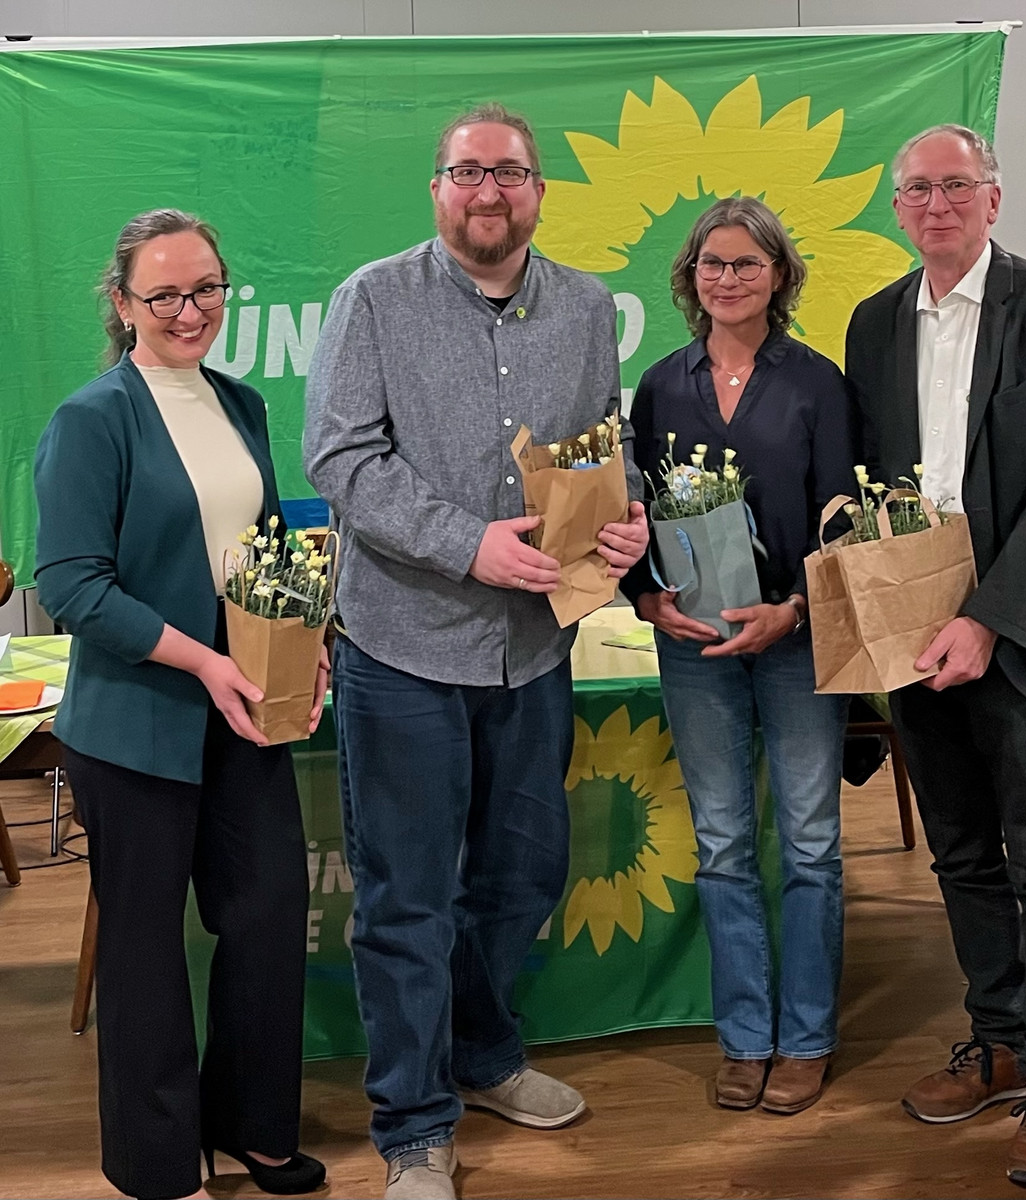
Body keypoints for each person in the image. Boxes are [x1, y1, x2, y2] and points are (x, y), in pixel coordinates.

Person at [303, 103, 648, 1200]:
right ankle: (413, 1126)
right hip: (402, 650)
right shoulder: (373, 298)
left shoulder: (588, 307)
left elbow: (604, 442)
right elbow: (341, 457)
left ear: (539, 190)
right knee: (408, 897)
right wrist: (468, 549)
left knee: (524, 873)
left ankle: (483, 1053)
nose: (487, 191)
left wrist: (623, 515)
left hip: (534, 655)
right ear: (438, 190)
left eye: (507, 172)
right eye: (465, 172)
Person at [845, 125, 1026, 1190]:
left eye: (955, 186)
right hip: (916, 638)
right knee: (963, 852)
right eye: (917, 190)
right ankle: (1000, 1035)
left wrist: (986, 618)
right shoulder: (874, 322)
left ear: (994, 199)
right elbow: (874, 478)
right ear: (896, 207)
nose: (936, 205)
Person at [34, 210, 327, 1200]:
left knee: (268, 917)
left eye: (206, 288)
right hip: (135, 722)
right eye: (163, 294)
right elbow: (74, 583)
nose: (189, 309)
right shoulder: (92, 419)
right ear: (123, 306)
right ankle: (159, 1162)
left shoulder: (239, 405)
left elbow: (271, 549)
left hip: (247, 710)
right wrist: (203, 661)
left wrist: (305, 647)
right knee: (148, 948)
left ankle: (256, 1124)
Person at [621, 197, 854, 1115]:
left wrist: (795, 608)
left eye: (747, 264)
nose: (728, 278)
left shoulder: (818, 384)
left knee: (810, 845)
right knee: (720, 846)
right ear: (690, 276)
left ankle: (804, 1040)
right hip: (696, 648)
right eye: (713, 264)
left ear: (780, 277)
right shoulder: (660, 385)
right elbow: (632, 515)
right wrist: (646, 597)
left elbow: (843, 515)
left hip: (797, 642)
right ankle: (744, 1035)